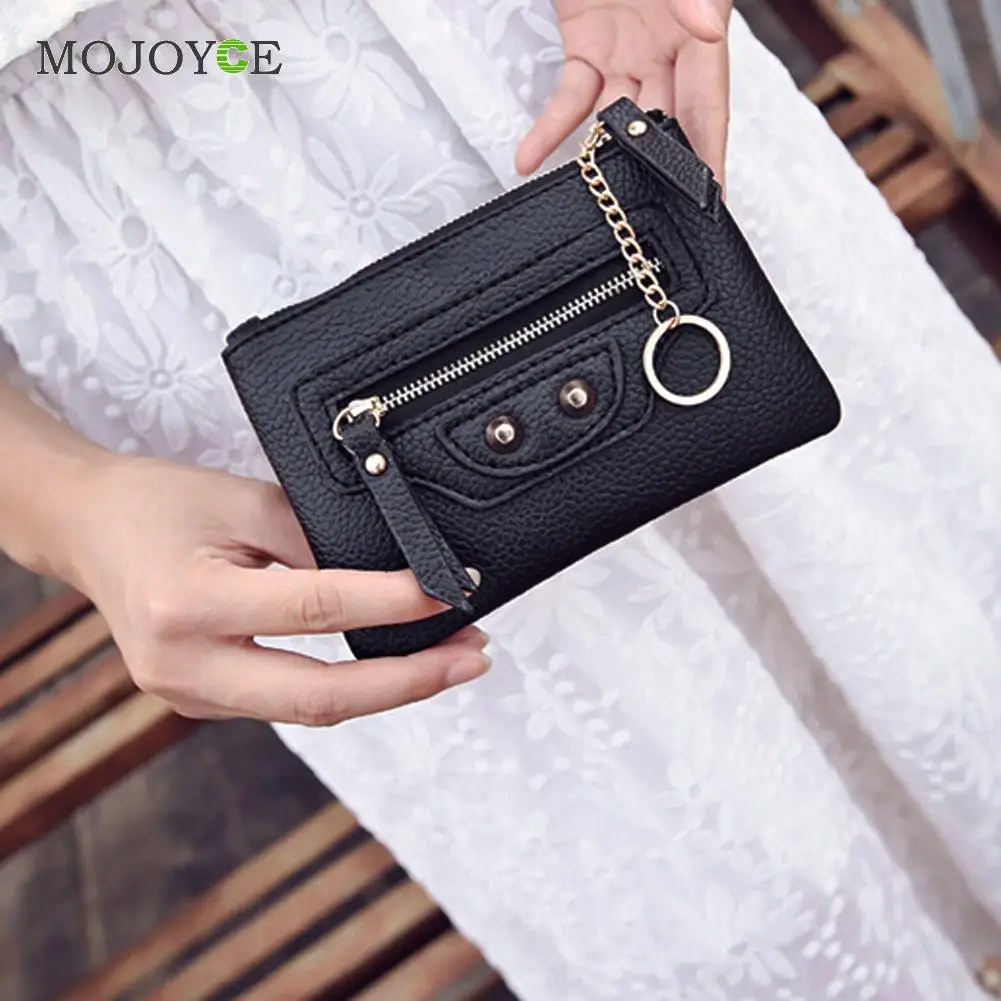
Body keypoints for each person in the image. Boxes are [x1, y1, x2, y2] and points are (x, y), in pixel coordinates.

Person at [0, 0, 999, 997]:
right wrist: (67, 505)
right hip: (135, 247)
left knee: (922, 600)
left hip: (562, 65)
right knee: (702, 860)